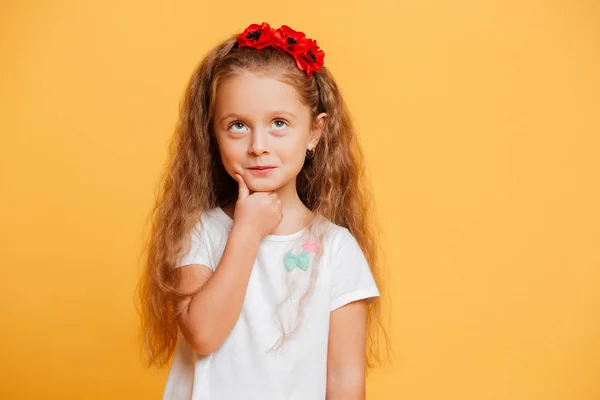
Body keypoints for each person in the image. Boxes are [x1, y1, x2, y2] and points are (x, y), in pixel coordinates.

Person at [137, 22, 387, 400]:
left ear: (315, 132)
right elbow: (203, 334)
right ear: (212, 133)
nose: (258, 145)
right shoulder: (200, 231)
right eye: (237, 125)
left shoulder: (336, 249)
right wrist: (247, 233)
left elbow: (344, 379)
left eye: (279, 124)